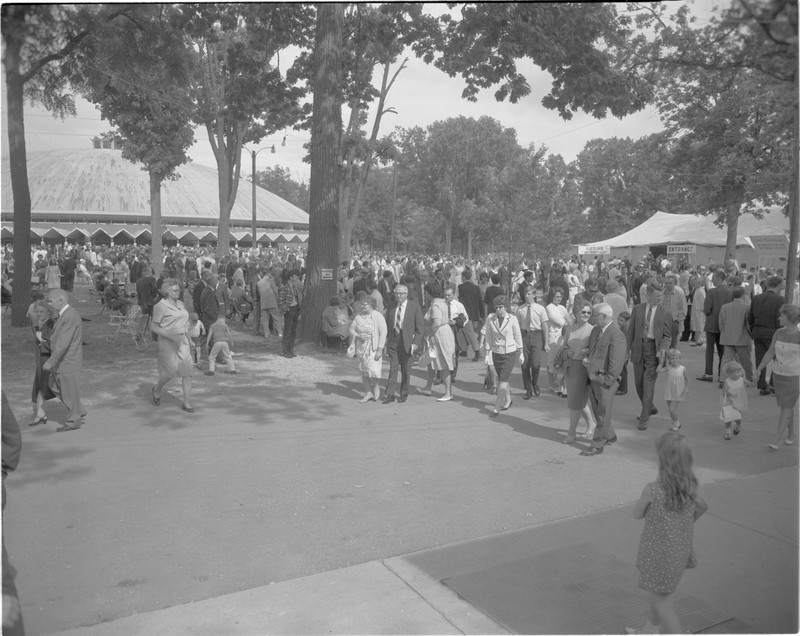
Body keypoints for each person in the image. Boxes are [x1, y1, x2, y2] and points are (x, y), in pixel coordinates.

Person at [629, 433, 708, 635]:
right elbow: (702, 507)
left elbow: (637, 514)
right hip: (676, 556)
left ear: (661, 460)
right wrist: (682, 524)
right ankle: (648, 632)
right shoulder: (689, 491)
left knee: (664, 606)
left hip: (658, 559)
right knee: (660, 598)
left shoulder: (653, 490)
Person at [581, 303, 627, 456]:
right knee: (598, 410)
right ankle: (610, 435)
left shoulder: (616, 334)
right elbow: (594, 350)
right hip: (593, 377)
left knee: (602, 412)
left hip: (606, 380)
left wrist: (607, 381)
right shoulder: (596, 330)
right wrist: (587, 358)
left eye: (595, 315)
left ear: (605, 317)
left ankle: (597, 444)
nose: (593, 317)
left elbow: (617, 362)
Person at [627, 283, 672, 431]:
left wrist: (662, 349)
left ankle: (644, 418)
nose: (660, 298)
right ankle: (650, 406)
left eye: (661, 295)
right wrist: (626, 351)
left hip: (654, 351)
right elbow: (631, 332)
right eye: (657, 296)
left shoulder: (664, 312)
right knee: (638, 385)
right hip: (638, 349)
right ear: (648, 295)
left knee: (648, 386)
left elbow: (667, 335)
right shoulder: (637, 309)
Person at [755, 304, 800, 450]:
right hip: (778, 375)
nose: (779, 317)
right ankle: (791, 434)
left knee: (786, 407)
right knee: (786, 406)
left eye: (782, 315)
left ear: (790, 318)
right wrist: (760, 368)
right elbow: (770, 353)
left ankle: (777, 438)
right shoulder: (779, 332)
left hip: (794, 377)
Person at [43, 289, 86, 431]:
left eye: (50, 301)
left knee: (68, 392)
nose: (48, 304)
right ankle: (78, 410)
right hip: (64, 361)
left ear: (61, 300)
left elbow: (63, 343)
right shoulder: (65, 315)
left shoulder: (69, 315)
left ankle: (73, 420)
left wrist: (50, 362)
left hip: (68, 361)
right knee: (54, 386)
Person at [151, 278, 195, 412]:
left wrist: (190, 340)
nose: (178, 292)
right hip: (167, 340)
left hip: (183, 340)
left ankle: (186, 403)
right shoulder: (160, 306)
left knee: (187, 372)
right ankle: (157, 390)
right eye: (175, 290)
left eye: (179, 289)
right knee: (169, 371)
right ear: (167, 292)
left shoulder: (181, 304)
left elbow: (185, 324)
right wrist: (170, 336)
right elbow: (153, 327)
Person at [559, 298, 596, 443]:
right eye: (583, 311)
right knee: (578, 401)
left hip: (582, 370)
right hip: (569, 367)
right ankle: (591, 423)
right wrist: (566, 351)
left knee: (575, 402)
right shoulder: (570, 329)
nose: (586, 314)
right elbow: (563, 346)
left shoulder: (592, 330)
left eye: (589, 312)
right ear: (576, 312)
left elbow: (595, 350)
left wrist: (587, 352)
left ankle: (571, 432)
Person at [382, 284, 424, 404]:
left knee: (406, 369)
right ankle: (389, 394)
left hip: (407, 341)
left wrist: (416, 343)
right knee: (393, 368)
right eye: (397, 293)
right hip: (394, 340)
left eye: (401, 293)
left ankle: (404, 392)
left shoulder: (414, 307)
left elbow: (420, 329)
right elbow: (387, 326)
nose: (399, 296)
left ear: (406, 294)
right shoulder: (391, 307)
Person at [483, 295, 523, 417]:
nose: (498, 310)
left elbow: (517, 335)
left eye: (500, 307)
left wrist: (521, 352)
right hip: (496, 353)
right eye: (496, 307)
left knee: (503, 380)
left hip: (509, 353)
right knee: (502, 379)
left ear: (506, 307)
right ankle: (508, 400)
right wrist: (487, 353)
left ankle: (497, 406)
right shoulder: (491, 319)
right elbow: (488, 337)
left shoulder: (512, 318)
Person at [419, 282, 457, 401]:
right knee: (432, 361)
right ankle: (428, 387)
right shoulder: (441, 302)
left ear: (430, 293)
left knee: (443, 363)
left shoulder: (436, 305)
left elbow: (436, 323)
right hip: (442, 333)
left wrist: (428, 335)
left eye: (426, 292)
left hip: (439, 334)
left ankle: (448, 392)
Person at [748, 276, 785, 395]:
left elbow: (750, 317)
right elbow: (779, 319)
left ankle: (761, 385)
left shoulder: (756, 298)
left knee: (760, 359)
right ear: (778, 285)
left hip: (758, 331)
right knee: (779, 359)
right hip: (772, 332)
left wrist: (754, 329)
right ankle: (772, 385)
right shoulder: (780, 299)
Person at [349, 291, 387, 402]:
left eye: (364, 305)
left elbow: (383, 333)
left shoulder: (378, 316)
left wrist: (380, 349)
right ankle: (368, 393)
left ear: (371, 305)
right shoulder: (358, 317)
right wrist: (357, 336)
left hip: (373, 348)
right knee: (364, 371)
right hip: (361, 348)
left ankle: (376, 387)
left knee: (373, 370)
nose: (362, 306)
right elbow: (351, 329)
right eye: (361, 304)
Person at [699, 271, 733, 382]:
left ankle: (708, 373)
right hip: (725, 325)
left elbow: (707, 309)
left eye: (714, 278)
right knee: (722, 351)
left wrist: (709, 314)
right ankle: (721, 375)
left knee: (709, 350)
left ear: (719, 278)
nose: (712, 280)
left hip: (712, 324)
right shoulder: (730, 292)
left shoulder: (711, 292)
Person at [516, 286, 549, 399]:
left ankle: (535, 383)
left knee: (536, 364)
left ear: (534, 295)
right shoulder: (520, 309)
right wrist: (517, 343)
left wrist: (546, 343)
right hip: (524, 335)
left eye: (529, 293)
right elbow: (517, 327)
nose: (526, 296)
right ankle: (528, 389)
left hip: (537, 335)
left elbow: (545, 326)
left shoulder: (540, 309)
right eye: (525, 293)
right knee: (525, 364)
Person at [29, 300, 57, 426]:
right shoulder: (38, 324)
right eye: (37, 311)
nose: (39, 314)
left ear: (48, 312)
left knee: (49, 384)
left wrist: (41, 340)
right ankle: (40, 412)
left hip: (47, 358)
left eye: (42, 311)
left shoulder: (51, 324)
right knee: (40, 383)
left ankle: (76, 408)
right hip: (39, 357)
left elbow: (54, 344)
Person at [719, 286, 754, 383]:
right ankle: (748, 378)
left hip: (727, 337)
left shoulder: (724, 307)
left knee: (726, 359)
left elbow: (721, 323)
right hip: (742, 337)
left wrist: (724, 332)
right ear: (743, 295)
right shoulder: (747, 307)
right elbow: (748, 324)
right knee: (745, 360)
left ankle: (723, 379)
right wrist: (751, 335)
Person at [545, 288, 572, 394]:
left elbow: (570, 320)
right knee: (551, 360)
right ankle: (551, 384)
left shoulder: (562, 307)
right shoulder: (548, 307)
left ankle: (557, 382)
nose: (559, 299)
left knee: (559, 361)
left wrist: (567, 321)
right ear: (552, 297)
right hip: (552, 335)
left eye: (560, 297)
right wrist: (566, 321)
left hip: (562, 336)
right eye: (557, 296)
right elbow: (558, 321)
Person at [658, 348, 689, 432]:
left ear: (679, 358)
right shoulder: (669, 367)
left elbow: (687, 379)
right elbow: (658, 371)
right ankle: (674, 423)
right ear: (669, 360)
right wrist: (661, 362)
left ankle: (677, 423)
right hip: (669, 390)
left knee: (672, 409)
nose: (675, 360)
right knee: (670, 409)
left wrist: (686, 389)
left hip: (678, 391)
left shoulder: (682, 369)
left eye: (677, 358)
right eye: (672, 358)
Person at [458, 268, 485, 361]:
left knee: (470, 333)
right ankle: (464, 350)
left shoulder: (461, 287)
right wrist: (482, 314)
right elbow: (480, 302)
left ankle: (477, 351)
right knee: (465, 332)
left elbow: (460, 301)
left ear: (464, 277)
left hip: (464, 313)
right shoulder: (476, 287)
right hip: (474, 313)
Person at [719, 360, 747, 441]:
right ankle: (728, 433)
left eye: (739, 371)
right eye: (736, 372)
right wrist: (727, 393)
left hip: (738, 401)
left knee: (737, 417)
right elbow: (724, 392)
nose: (739, 373)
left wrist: (754, 382)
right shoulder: (727, 382)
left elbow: (749, 383)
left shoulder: (741, 380)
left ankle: (738, 424)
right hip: (729, 401)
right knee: (728, 418)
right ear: (729, 374)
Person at [278, 269, 303, 358]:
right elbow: (280, 301)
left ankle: (291, 350)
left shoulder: (295, 287)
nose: (297, 277)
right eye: (295, 276)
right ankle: (285, 351)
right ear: (290, 277)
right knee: (287, 331)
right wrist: (286, 309)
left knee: (293, 330)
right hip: (289, 309)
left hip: (296, 308)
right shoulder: (285, 287)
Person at [257, 267, 282, 339]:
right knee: (276, 318)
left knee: (265, 319)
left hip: (263, 302)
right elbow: (275, 291)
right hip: (272, 301)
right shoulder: (270, 280)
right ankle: (279, 332)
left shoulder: (258, 283)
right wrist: (277, 300)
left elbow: (259, 294)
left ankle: (266, 334)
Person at [688, 277, 706, 347]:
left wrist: (703, 309)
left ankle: (698, 340)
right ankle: (697, 339)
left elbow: (703, 301)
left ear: (701, 284)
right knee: (696, 325)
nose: (695, 283)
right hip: (696, 309)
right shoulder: (697, 290)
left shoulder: (701, 291)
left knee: (699, 325)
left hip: (699, 310)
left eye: (698, 282)